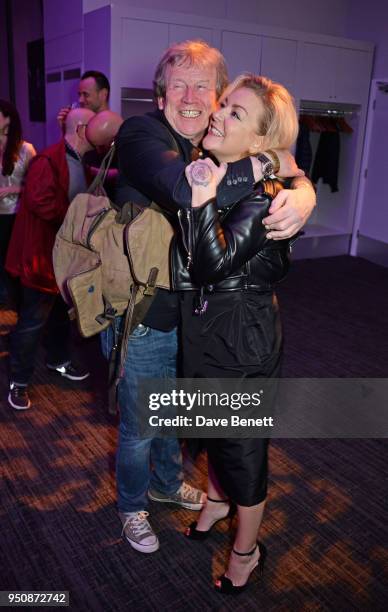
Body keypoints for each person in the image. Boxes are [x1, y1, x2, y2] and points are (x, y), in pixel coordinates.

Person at [107, 40, 316, 555]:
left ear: (218, 97)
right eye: (178, 84)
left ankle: (164, 483)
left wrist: (303, 188)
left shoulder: (213, 142)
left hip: (199, 322)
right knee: (139, 423)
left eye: (204, 86)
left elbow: (276, 180)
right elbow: (187, 192)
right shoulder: (142, 133)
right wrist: (271, 160)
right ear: (160, 96)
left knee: (173, 417)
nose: (191, 96)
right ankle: (133, 507)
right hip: (147, 312)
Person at [178, 73, 300, 594]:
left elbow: (209, 263)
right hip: (214, 329)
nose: (217, 114)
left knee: (242, 449)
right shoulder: (232, 173)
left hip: (241, 339)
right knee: (212, 431)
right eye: (222, 104)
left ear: (260, 143)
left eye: (234, 114)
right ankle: (215, 504)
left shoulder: (265, 191)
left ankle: (246, 553)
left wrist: (203, 197)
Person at [5, 108, 95, 410]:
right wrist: (78, 217)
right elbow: (42, 203)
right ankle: (18, 382)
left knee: (59, 314)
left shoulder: (83, 159)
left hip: (63, 258)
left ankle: (58, 360)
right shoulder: (46, 160)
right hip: (41, 258)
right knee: (32, 322)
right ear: (82, 129)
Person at [0, 100, 35, 305]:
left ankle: (17, 307)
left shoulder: (25, 149)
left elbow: (38, 187)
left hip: (15, 215)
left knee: (12, 267)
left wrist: (12, 189)